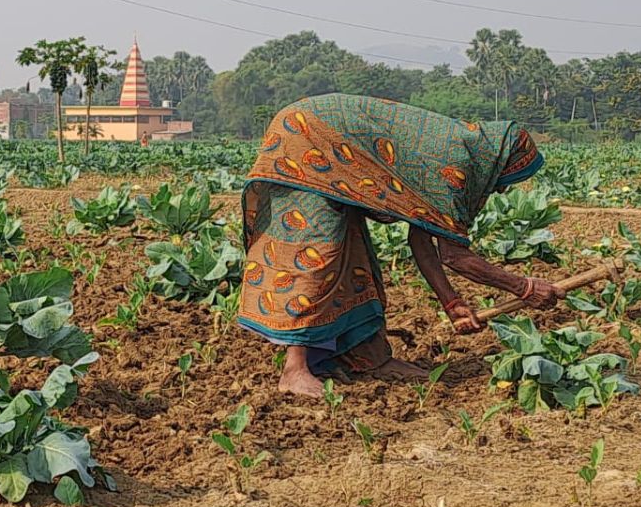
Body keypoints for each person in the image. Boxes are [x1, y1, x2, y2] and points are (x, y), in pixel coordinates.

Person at [238, 93, 564, 397]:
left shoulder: (462, 156)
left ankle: (370, 360)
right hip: (307, 137)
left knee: (355, 260)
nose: (502, 191)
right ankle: (294, 370)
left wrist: (451, 303)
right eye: (506, 181)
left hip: (336, 151)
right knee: (318, 252)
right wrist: (523, 287)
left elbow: (422, 238)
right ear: (499, 164)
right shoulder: (456, 164)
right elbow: (454, 256)